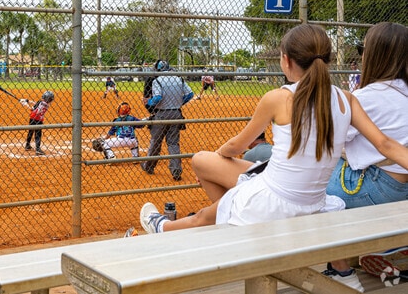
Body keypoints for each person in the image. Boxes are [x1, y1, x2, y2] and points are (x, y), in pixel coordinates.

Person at [139, 25, 408, 290]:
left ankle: (164, 230)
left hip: (273, 202)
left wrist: (223, 153)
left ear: (287, 61)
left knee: (210, 211)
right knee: (217, 210)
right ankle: (166, 228)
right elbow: (385, 144)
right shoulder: (346, 99)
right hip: (314, 204)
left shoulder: (278, 98)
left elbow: (237, 145)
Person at [324, 22, 408, 284]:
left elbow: (330, 142)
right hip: (402, 186)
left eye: (363, 49)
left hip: (380, 189)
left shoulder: (366, 96)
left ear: (372, 55)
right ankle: (384, 250)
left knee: (305, 185)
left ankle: (344, 265)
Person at [141, 60, 194, 181]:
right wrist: (180, 102)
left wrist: (148, 102)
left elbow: (158, 97)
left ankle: (148, 166)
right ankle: (176, 170)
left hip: (162, 115)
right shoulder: (178, 78)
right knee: (173, 143)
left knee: (156, 141)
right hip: (176, 113)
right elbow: (190, 94)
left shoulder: (157, 80)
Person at [21, 91, 55, 156]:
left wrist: (25, 104)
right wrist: (27, 100)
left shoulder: (40, 102)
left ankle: (27, 145)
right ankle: (38, 148)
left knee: (30, 131)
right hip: (39, 120)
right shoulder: (46, 104)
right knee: (38, 134)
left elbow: (33, 109)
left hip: (32, 118)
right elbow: (36, 103)